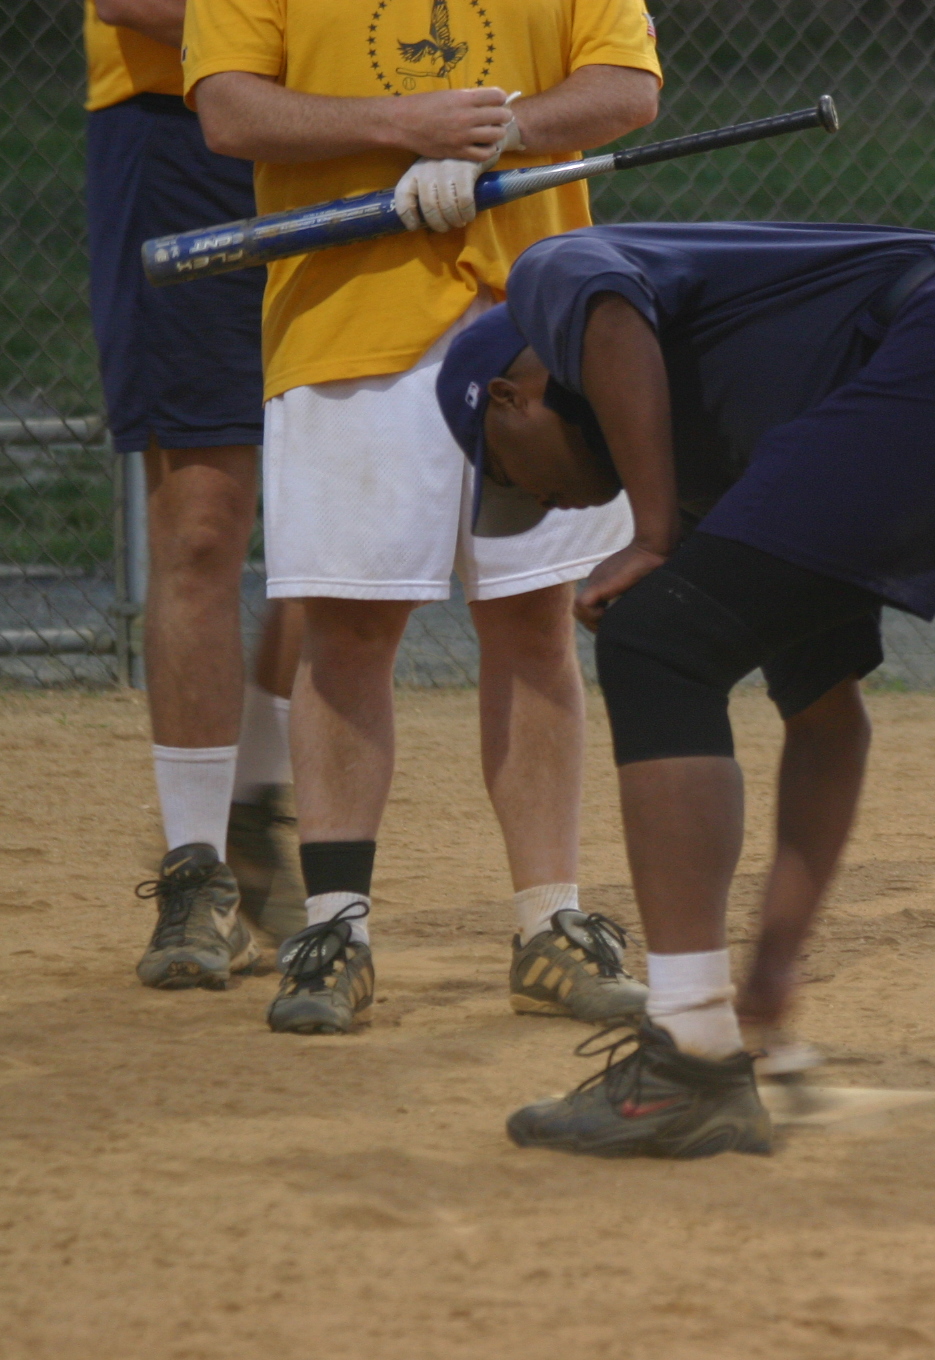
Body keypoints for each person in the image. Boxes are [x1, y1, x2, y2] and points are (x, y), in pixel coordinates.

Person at [431, 223, 935, 1159]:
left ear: (516, 397)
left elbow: (608, 312)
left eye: (515, 475)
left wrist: (649, 537)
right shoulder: (727, 476)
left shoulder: (552, 283)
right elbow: (826, 720)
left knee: (654, 643)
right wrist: (773, 965)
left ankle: (685, 1062)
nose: (550, 506)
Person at [181, 0, 663, 1033]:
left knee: (535, 623)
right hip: (345, 324)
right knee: (348, 628)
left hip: (528, 324)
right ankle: (334, 931)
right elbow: (228, 110)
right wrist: (405, 126)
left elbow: (627, 86)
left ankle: (550, 922)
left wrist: (506, 130)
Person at [85, 0, 308, 990]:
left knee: (337, 512)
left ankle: (255, 790)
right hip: (178, 127)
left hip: (348, 129)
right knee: (204, 524)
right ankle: (199, 868)